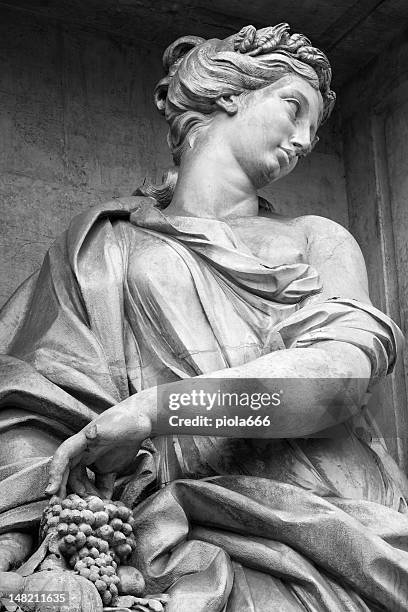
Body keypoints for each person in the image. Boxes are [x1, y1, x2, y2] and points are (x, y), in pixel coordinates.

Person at [1, 23, 408, 610]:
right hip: (156, 528)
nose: (303, 140)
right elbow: (33, 399)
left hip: (328, 521)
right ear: (228, 92)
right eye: (293, 108)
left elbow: (338, 380)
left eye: (315, 132)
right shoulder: (101, 245)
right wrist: (16, 536)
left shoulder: (317, 238)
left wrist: (155, 410)